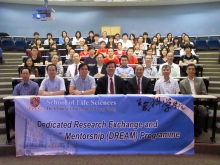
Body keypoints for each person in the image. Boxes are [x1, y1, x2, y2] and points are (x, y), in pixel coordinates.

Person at [179, 64, 208, 137]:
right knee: (191, 113)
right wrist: (191, 104)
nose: (191, 70)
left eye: (193, 69)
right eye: (189, 69)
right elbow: (183, 96)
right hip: (189, 104)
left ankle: (197, 129)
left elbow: (204, 93)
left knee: (204, 113)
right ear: (186, 71)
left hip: (200, 103)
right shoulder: (182, 83)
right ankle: (193, 130)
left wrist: (201, 103)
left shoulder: (200, 80)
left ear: (195, 71)